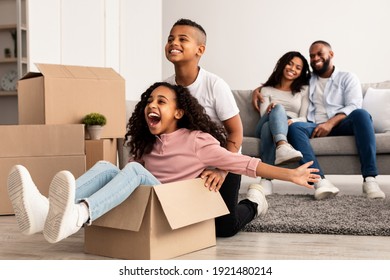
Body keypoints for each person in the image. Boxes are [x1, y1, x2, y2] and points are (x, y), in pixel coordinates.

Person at [8, 82, 319, 243]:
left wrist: (289, 176)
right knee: (107, 168)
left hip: (174, 204)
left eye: (161, 101)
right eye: (148, 101)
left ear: (180, 112)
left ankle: (254, 202)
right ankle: (44, 213)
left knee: (225, 227)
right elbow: (129, 181)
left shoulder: (198, 140)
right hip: (153, 204)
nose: (150, 106)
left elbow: (246, 163)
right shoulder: (146, 143)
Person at [252, 40, 385, 200]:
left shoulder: (347, 77)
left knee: (362, 114)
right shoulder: (308, 81)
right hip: (313, 125)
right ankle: (320, 181)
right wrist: (257, 90)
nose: (315, 58)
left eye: (319, 54)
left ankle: (370, 180)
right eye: (312, 55)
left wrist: (330, 123)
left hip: (342, 123)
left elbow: (354, 105)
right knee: (294, 128)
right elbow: (283, 83)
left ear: (331, 54)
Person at [163, 18, 246, 236]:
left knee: (224, 228)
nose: (174, 43)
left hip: (222, 160)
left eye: (182, 39)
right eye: (171, 38)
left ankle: (255, 203)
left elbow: (236, 132)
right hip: (186, 164)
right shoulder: (165, 87)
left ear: (200, 50)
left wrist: (222, 169)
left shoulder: (215, 85)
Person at [253, 51, 311, 195]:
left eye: (298, 67)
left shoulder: (303, 90)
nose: (293, 69)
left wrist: (291, 121)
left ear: (301, 72)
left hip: (289, 126)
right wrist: (275, 109)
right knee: (275, 109)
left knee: (268, 128)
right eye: (290, 64)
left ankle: (266, 180)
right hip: (267, 119)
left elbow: (304, 117)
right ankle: (282, 146)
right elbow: (263, 115)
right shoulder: (266, 90)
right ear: (282, 64)